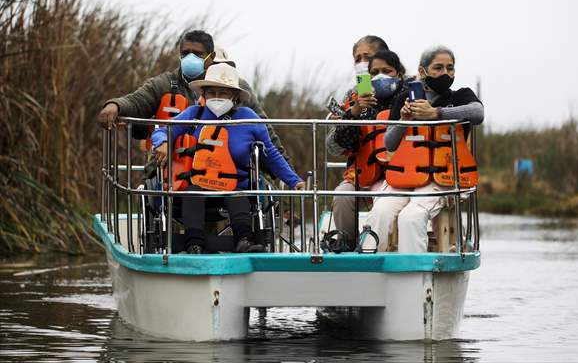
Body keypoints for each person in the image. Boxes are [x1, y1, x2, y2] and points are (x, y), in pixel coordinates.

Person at [152, 63, 305, 254]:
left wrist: (293, 180)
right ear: (204, 94)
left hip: (236, 184)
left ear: (234, 96)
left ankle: (244, 241)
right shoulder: (193, 114)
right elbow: (162, 130)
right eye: (212, 92)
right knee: (193, 194)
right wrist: (163, 143)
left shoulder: (248, 118)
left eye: (223, 93)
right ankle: (194, 244)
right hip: (197, 182)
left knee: (237, 195)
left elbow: (271, 153)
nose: (217, 97)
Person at [96, 30, 291, 164]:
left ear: (211, 56)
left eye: (197, 54)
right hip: (172, 165)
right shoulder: (164, 83)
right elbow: (137, 100)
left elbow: (266, 134)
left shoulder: (235, 87)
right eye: (185, 53)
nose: (190, 58)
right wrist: (115, 105)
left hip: (224, 165)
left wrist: (287, 178)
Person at [365, 45, 484, 253]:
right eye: (438, 68)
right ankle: (370, 265)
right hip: (405, 176)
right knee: (379, 213)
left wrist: (436, 113)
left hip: (442, 178)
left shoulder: (461, 96)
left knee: (411, 217)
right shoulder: (404, 99)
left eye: (450, 68)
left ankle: (414, 271)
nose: (445, 73)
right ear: (422, 72)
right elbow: (390, 144)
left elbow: (477, 113)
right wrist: (404, 119)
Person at [325, 35, 405, 247]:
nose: (362, 62)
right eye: (357, 58)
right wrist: (353, 113)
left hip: (400, 174)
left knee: (386, 205)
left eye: (366, 56)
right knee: (342, 195)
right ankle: (347, 247)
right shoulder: (353, 96)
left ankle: (382, 250)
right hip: (362, 175)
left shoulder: (406, 92)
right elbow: (333, 146)